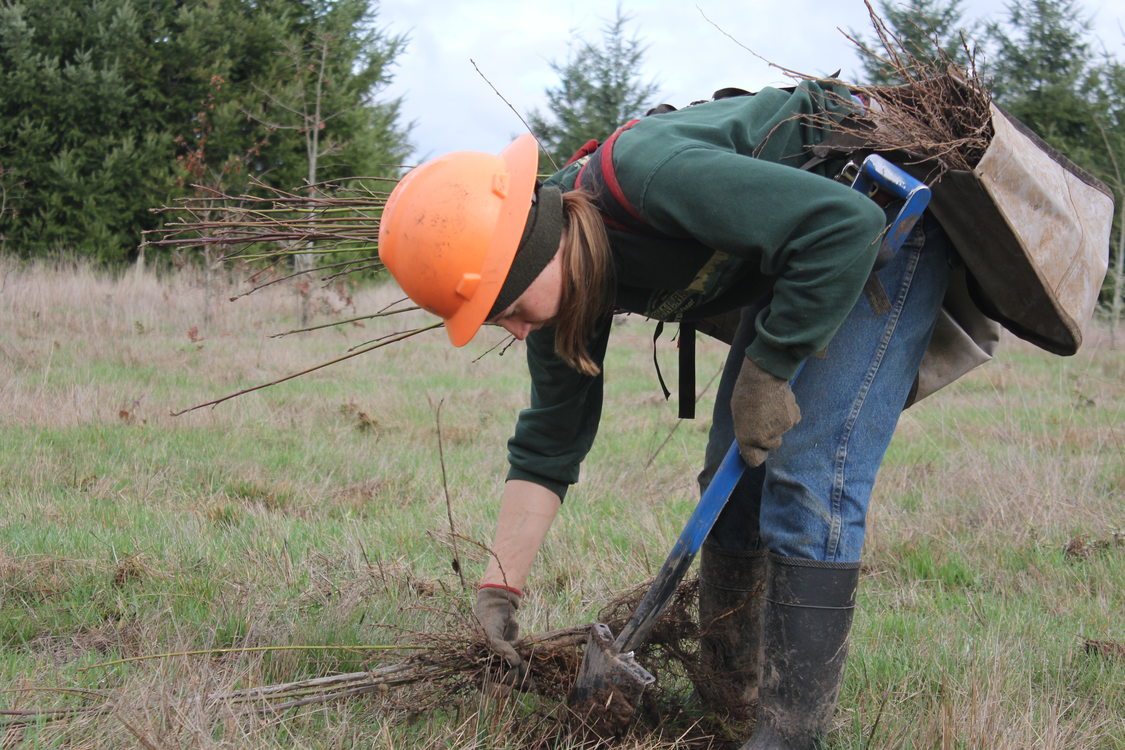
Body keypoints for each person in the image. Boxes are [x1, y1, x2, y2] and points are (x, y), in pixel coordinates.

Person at [378, 79, 958, 749]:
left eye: (505, 309)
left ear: (534, 252)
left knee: (804, 474)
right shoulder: (566, 284)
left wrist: (767, 369)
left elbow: (843, 227)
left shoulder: (648, 177)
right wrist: (497, 593)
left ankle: (790, 733)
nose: (512, 331)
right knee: (732, 471)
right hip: (798, 254)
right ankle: (725, 699)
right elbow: (550, 441)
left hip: (877, 217)